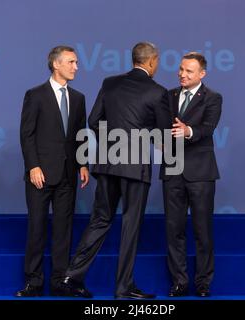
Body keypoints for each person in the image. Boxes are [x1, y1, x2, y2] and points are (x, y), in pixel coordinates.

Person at [57, 42, 170, 299]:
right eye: (157, 61)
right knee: (131, 225)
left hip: (107, 163)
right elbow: (163, 132)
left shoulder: (110, 83)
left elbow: (94, 120)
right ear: (152, 62)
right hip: (135, 167)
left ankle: (71, 277)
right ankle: (123, 288)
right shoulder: (158, 92)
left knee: (100, 220)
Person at [16, 45, 89, 297]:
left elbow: (80, 134)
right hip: (40, 174)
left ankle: (60, 281)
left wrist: (82, 163)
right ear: (56, 64)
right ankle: (33, 282)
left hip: (68, 175)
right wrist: (33, 165)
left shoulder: (78, 98)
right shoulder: (35, 95)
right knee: (36, 227)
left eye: (76, 62)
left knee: (63, 229)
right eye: (71, 62)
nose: (76, 67)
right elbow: (27, 134)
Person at [161, 52, 222, 297]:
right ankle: (179, 281)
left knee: (202, 230)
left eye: (189, 71)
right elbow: (161, 126)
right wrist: (160, 139)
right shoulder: (169, 95)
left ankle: (203, 283)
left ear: (202, 74)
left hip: (200, 173)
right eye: (181, 69)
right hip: (172, 170)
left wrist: (188, 131)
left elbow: (208, 127)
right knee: (173, 229)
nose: (182, 74)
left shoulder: (213, 98)